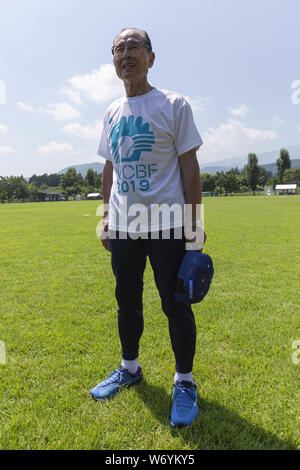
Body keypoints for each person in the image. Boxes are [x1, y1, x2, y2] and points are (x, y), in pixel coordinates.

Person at [90, 28, 205, 428]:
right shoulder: (111, 112)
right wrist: (105, 217)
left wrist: (196, 226)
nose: (126, 54)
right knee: (126, 300)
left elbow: (190, 167)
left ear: (151, 58)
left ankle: (185, 381)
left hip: (168, 224)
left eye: (134, 47)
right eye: (119, 49)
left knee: (176, 305)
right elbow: (109, 167)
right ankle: (130, 368)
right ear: (114, 61)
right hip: (124, 225)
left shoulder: (173, 104)